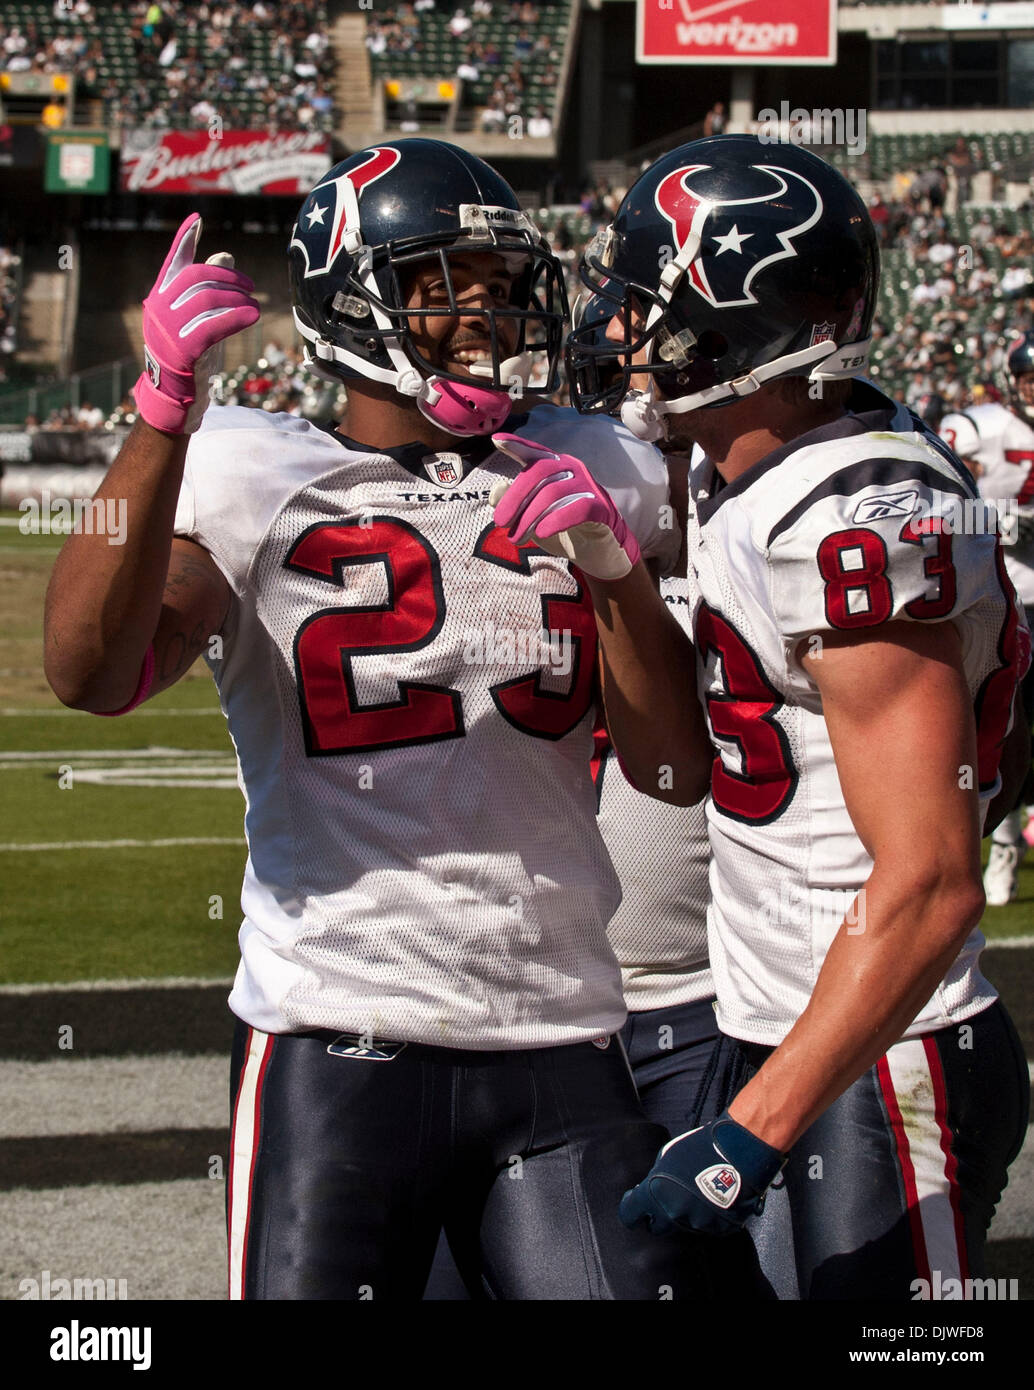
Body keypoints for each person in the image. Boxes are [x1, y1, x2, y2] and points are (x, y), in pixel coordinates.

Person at [43, 139, 708, 1302]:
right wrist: (159, 419)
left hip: (557, 1031)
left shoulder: (586, 463)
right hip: (336, 1034)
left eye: (501, 287)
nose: (484, 316)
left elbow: (666, 768)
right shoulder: (250, 469)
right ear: (354, 294)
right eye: (444, 281)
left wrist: (616, 576)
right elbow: (93, 672)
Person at [497, 134, 1031, 1299]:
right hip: (788, 1019)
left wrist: (750, 1132)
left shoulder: (850, 510)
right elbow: (690, 760)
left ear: (731, 323)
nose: (620, 328)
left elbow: (934, 876)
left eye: (647, 302)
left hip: (887, 1052)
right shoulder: (748, 467)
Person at [940, 333, 1034, 902]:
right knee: (1004, 725)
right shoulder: (978, 427)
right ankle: (1000, 843)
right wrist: (998, 513)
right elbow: (938, 495)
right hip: (1004, 596)